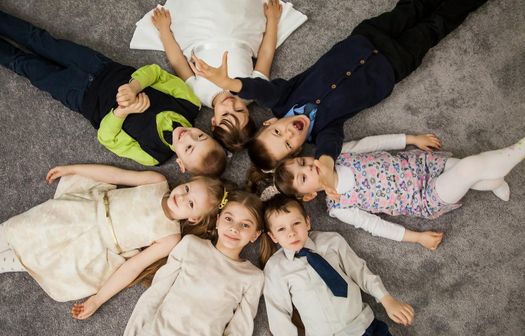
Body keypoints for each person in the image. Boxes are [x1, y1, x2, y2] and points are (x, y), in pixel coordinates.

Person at [189, 0, 488, 172]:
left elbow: (260, 90)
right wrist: (326, 167)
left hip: (364, 40)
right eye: (290, 143)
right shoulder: (325, 131)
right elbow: (330, 150)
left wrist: (228, 82)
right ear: (297, 150)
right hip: (393, 65)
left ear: (270, 120)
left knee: (411, 8)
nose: (290, 131)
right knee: (434, 27)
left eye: (277, 131)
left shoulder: (282, 99)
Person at [0, 11, 226, 175]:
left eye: (188, 148)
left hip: (82, 98)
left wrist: (122, 111)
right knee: (40, 39)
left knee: (25, 66)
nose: (189, 136)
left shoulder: (153, 154)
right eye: (200, 136)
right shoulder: (189, 103)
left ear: (181, 164)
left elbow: (108, 138)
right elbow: (156, 73)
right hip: (101, 68)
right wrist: (135, 86)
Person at [0, 164, 227, 319]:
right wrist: (73, 169)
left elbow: (133, 266)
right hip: (82, 211)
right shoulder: (157, 182)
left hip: (95, 246)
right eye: (187, 189)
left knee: (38, 258)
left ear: (194, 218)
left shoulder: (170, 237)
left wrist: (97, 300)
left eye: (190, 204)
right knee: (24, 228)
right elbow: (115, 175)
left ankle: (8, 262)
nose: (183, 196)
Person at [271, 134, 525, 250]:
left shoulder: (340, 155)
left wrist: (411, 139)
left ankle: (494, 180)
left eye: (303, 162)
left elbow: (375, 142)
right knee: (470, 167)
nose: (310, 167)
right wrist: (418, 238)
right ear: (309, 196)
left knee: (473, 171)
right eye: (304, 177)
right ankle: (517, 151)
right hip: (427, 197)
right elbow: (376, 225)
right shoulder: (340, 207)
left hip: (422, 164)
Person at [121, 191, 274, 336]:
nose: (234, 228)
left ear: (255, 235)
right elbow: (156, 291)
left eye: (245, 225)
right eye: (229, 219)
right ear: (217, 221)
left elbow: (240, 329)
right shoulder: (191, 245)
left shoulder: (253, 277)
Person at [263, 194, 414, 336]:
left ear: (307, 222)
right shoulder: (276, 268)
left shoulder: (330, 241)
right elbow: (278, 315)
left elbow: (359, 271)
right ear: (273, 236)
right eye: (281, 229)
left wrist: (386, 299)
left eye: (296, 223)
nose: (291, 232)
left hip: (367, 327)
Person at [149, 0, 284, 151]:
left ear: (213, 122)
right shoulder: (252, 91)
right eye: (239, 110)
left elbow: (178, 61)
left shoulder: (198, 94)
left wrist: (164, 30)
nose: (230, 104)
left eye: (225, 114)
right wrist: (272, 20)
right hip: (239, 29)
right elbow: (265, 54)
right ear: (249, 113)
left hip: (200, 32)